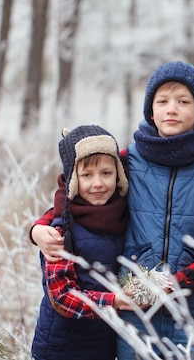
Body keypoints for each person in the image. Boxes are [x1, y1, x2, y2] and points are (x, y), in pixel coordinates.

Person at [31, 61, 194, 359]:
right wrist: (39, 229)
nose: (172, 109)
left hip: (193, 317)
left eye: (184, 101)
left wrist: (173, 284)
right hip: (135, 315)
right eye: (162, 101)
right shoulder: (130, 161)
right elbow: (78, 198)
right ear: (150, 110)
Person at [30, 125, 133, 360]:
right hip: (61, 349)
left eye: (106, 173)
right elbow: (62, 296)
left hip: (103, 347)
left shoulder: (121, 215)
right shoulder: (61, 230)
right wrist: (114, 301)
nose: (98, 183)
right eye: (87, 175)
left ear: (118, 174)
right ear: (74, 180)